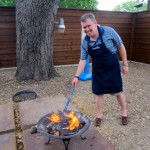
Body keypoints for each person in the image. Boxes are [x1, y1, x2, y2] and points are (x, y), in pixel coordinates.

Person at [72, 13, 129, 127]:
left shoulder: (109, 32)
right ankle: (99, 115)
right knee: (98, 93)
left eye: (89, 26)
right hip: (98, 69)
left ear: (95, 23)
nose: (87, 29)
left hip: (112, 66)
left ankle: (124, 112)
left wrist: (125, 64)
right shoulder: (85, 41)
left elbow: (121, 47)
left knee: (118, 91)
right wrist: (76, 76)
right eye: (84, 27)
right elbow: (83, 60)